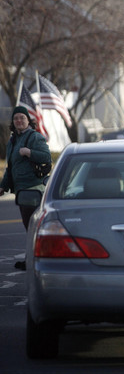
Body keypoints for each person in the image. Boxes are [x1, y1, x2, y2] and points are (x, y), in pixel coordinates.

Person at [0, 106, 52, 270]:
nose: (19, 121)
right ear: (13, 123)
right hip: (22, 191)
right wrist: (3, 186)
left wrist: (29, 152)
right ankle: (33, 259)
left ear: (28, 120)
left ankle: (35, 260)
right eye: (16, 118)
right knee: (30, 228)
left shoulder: (34, 137)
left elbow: (46, 157)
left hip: (33, 190)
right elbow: (11, 167)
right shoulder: (13, 141)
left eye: (22, 117)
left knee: (33, 228)